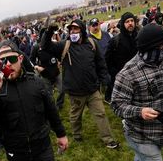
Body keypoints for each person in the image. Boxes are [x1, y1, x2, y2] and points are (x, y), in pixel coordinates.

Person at [112, 23, 163, 161]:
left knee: (144, 158)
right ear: (150, 48)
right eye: (162, 47)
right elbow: (117, 105)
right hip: (141, 133)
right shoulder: (127, 74)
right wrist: (139, 111)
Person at [41, 20, 119, 148]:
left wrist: (104, 79)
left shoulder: (92, 44)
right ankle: (77, 134)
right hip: (75, 92)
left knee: (101, 114)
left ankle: (109, 140)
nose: (73, 32)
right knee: (75, 116)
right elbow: (45, 46)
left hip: (93, 90)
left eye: (76, 29)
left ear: (82, 30)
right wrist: (49, 31)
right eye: (71, 29)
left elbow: (100, 63)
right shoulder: (64, 46)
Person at [105, 12, 139, 103]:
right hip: (122, 77)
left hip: (139, 76)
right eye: (127, 21)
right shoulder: (115, 41)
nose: (130, 23)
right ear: (123, 24)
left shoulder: (140, 37)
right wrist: (115, 74)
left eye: (132, 20)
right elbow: (108, 60)